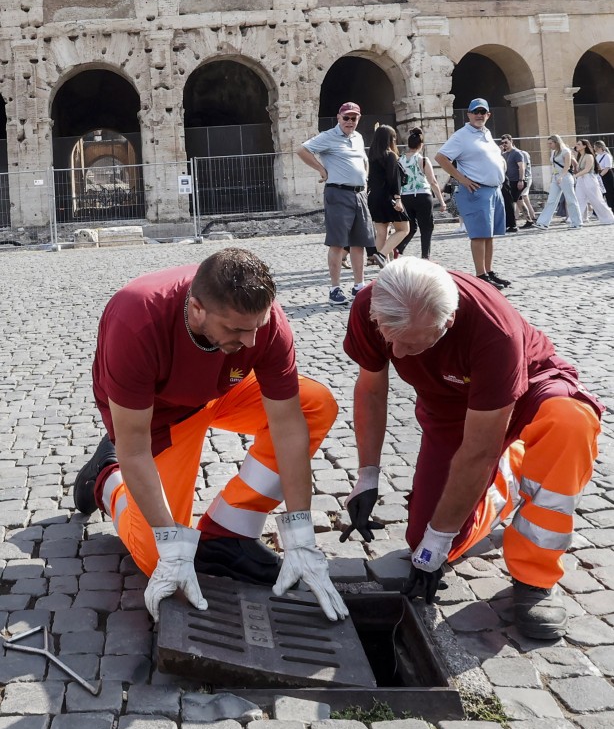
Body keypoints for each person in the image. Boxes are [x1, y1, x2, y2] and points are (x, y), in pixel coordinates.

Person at [73, 248, 348, 625]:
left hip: (222, 389)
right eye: (237, 330)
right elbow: (134, 448)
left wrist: (300, 535)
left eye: (257, 326)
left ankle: (226, 531)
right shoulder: (136, 319)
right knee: (156, 555)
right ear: (197, 309)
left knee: (314, 405)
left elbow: (287, 424)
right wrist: (173, 549)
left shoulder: (260, 324)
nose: (252, 341)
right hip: (158, 417)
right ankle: (106, 480)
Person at [341, 258, 602, 640]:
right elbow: (371, 390)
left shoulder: (494, 331)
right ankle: (505, 479)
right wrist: (367, 476)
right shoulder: (373, 303)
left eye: (411, 341)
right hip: (449, 406)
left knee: (570, 421)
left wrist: (438, 540)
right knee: (424, 541)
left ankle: (534, 575)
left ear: (446, 323)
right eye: (388, 336)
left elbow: (478, 451)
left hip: (530, 392)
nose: (396, 351)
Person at [297, 102, 380, 307]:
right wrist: (321, 169)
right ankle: (335, 289)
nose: (350, 122)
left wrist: (365, 178)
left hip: (359, 194)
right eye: (346, 118)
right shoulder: (328, 136)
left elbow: (364, 160)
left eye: (354, 118)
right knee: (337, 242)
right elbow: (302, 150)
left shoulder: (358, 137)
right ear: (338, 117)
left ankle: (358, 285)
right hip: (338, 192)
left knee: (359, 242)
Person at [434, 98, 510, 290]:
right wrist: (461, 178)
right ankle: (480, 274)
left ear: (488, 115)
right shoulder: (462, 135)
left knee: (490, 234)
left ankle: (489, 270)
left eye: (482, 112)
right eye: (475, 112)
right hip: (476, 190)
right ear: (468, 114)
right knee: (479, 234)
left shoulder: (486, 133)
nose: (479, 115)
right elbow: (441, 157)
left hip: (493, 189)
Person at [397, 127, 446, 260]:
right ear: (422, 145)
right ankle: (425, 256)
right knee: (426, 227)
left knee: (410, 227)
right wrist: (441, 201)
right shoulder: (423, 160)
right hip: (422, 195)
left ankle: (398, 248)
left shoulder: (399, 160)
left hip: (405, 196)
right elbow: (433, 182)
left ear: (408, 144)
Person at [367, 125, 410, 264]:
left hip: (374, 197)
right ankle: (381, 255)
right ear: (390, 139)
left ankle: (387, 266)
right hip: (388, 197)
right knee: (404, 229)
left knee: (381, 233)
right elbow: (393, 179)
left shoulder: (372, 157)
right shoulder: (390, 155)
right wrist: (397, 199)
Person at [535, 135, 583, 229]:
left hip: (565, 177)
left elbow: (567, 165)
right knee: (551, 200)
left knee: (571, 200)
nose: (549, 145)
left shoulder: (566, 151)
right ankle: (543, 222)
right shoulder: (553, 152)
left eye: (551, 143)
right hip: (556, 177)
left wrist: (561, 176)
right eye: (548, 143)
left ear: (556, 142)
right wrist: (554, 177)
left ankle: (577, 222)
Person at [573, 139, 614, 225]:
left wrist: (575, 176)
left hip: (589, 179)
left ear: (584, 146)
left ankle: (609, 218)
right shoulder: (580, 156)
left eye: (579, 144)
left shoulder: (589, 156)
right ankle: (576, 219)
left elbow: (587, 169)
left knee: (597, 199)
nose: (576, 145)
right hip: (581, 179)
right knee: (579, 199)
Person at [500, 134, 527, 231]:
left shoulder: (517, 153)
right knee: (517, 201)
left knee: (512, 202)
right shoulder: (504, 154)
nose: (504, 145)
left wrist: (521, 180)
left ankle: (513, 224)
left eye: (506, 142)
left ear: (511, 142)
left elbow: (521, 167)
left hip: (516, 181)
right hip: (507, 181)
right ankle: (528, 220)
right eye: (502, 143)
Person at [517, 146, 537, 227]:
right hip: (525, 178)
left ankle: (518, 218)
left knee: (519, 198)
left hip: (525, 178)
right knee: (524, 198)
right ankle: (533, 217)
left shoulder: (522, 153)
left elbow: (523, 167)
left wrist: (520, 179)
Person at [594, 140, 614, 212]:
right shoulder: (597, 156)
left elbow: (607, 168)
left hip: (606, 175)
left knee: (609, 193)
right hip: (600, 174)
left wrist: (600, 176)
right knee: (600, 193)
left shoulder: (607, 156)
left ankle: (611, 208)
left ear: (599, 147)